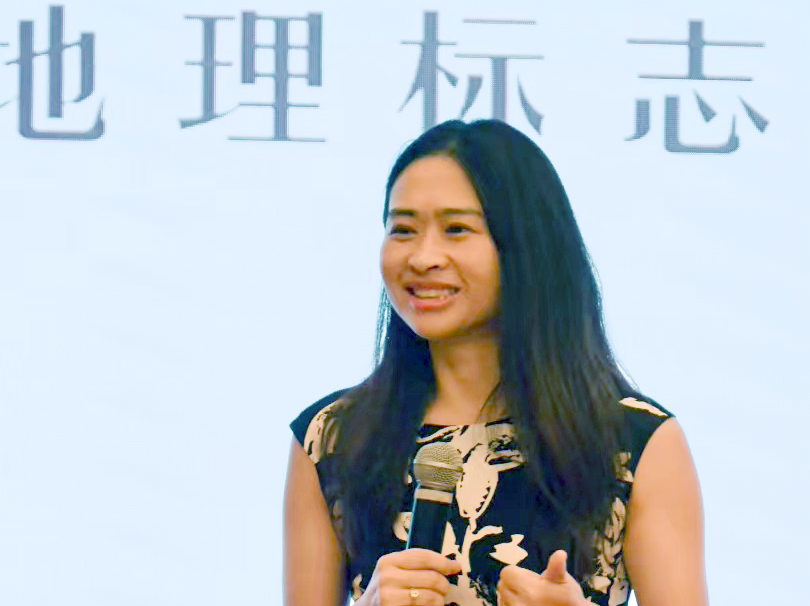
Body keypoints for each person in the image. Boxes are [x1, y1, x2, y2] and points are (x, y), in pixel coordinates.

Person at [284, 120, 707, 606]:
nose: (422, 257)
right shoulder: (332, 437)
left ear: (527, 247)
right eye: (403, 229)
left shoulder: (633, 441)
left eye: (456, 229)